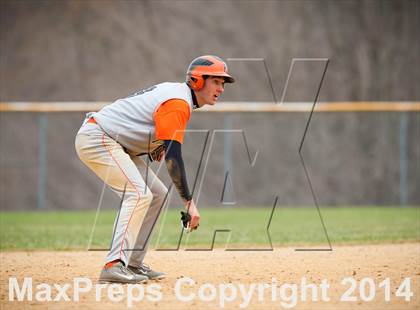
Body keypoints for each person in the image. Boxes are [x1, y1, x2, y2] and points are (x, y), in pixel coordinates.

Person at [74, 55, 235, 283]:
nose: (221, 88)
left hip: (112, 140)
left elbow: (143, 123)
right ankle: (113, 265)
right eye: (217, 81)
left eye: (223, 83)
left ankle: (133, 263)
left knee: (158, 194)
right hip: (97, 138)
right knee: (139, 193)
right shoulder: (178, 102)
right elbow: (173, 158)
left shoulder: (178, 96)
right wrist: (189, 203)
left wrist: (153, 145)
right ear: (198, 80)